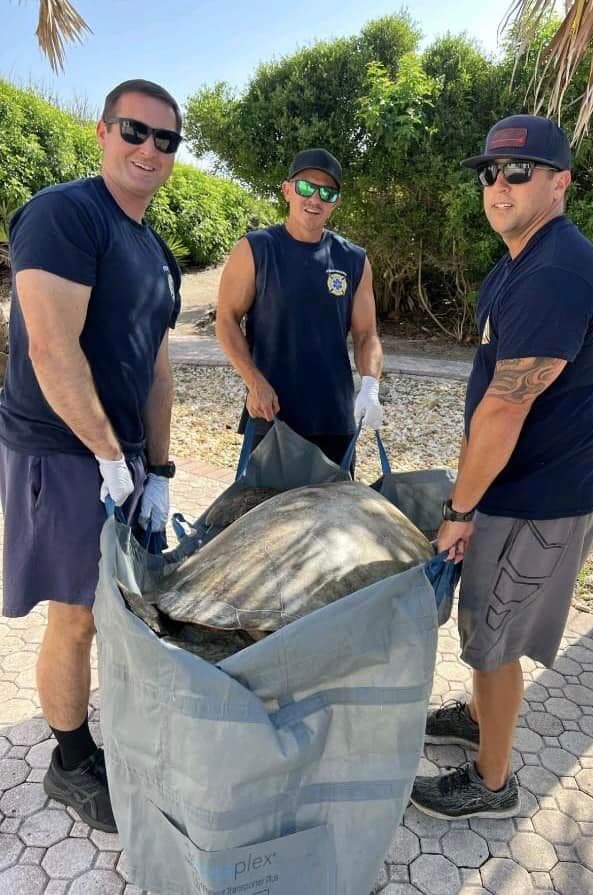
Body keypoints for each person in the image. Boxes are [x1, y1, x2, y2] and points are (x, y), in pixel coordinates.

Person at [410, 115, 593, 819]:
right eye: (490, 173)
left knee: (490, 636)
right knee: (486, 628)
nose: (498, 185)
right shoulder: (522, 261)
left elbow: (504, 409)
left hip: (540, 497)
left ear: (559, 182)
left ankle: (492, 783)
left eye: (518, 172)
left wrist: (459, 512)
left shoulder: (556, 271)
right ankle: (479, 718)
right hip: (524, 484)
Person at [0, 79, 184, 832]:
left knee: (118, 607)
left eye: (165, 140)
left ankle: (106, 735)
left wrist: (161, 469)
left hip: (124, 458)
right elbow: (49, 346)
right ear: (102, 132)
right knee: (76, 617)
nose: (149, 149)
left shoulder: (151, 243)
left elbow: (158, 364)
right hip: (65, 451)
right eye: (135, 131)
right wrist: (109, 460)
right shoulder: (65, 214)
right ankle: (69, 762)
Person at [216, 148, 384, 472]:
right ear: (287, 190)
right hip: (272, 415)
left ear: (337, 201)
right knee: (267, 520)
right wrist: (253, 381)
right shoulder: (256, 249)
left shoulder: (354, 259)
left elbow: (367, 335)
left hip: (335, 420)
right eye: (306, 187)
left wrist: (370, 387)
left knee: (334, 521)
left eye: (327, 192)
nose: (315, 199)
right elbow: (226, 320)